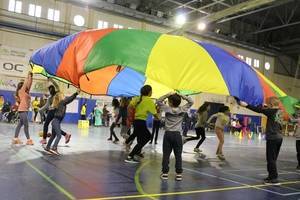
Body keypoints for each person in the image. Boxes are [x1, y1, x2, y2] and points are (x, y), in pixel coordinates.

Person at [239, 97, 283, 185]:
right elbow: (267, 110)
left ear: (270, 104)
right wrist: (266, 106)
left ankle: (274, 178)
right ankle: (271, 176)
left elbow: (258, 110)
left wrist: (246, 105)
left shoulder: (271, 111)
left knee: (271, 159)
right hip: (279, 138)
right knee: (273, 159)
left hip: (272, 138)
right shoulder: (280, 111)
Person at [157, 92, 194, 181]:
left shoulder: (167, 108)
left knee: (166, 155)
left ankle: (165, 173)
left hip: (168, 134)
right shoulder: (182, 109)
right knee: (178, 155)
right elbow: (191, 101)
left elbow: (158, 101)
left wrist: (167, 94)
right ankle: (179, 174)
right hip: (177, 135)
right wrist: (181, 95)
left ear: (170, 102)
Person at [125, 85, 159, 163]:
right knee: (148, 137)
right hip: (141, 122)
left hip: (136, 121)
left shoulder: (137, 98)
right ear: (149, 92)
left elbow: (129, 107)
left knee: (138, 135)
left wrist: (130, 117)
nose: (152, 92)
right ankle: (130, 156)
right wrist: (158, 118)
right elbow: (154, 113)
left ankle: (135, 150)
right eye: (151, 91)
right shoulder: (149, 100)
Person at [45, 89, 80, 155]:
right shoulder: (62, 102)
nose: (65, 97)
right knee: (59, 136)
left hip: (55, 121)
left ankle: (47, 147)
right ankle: (54, 148)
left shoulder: (58, 104)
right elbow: (69, 99)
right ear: (61, 97)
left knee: (53, 135)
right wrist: (76, 93)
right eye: (63, 96)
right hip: (56, 121)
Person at [39, 78, 71, 145]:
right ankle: (66, 135)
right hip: (58, 112)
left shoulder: (55, 95)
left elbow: (44, 107)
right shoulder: (53, 96)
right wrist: (51, 80)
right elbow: (45, 107)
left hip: (54, 111)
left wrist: (51, 80)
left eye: (50, 89)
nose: (50, 90)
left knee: (47, 125)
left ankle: (44, 139)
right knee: (54, 127)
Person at [12, 71, 34, 145]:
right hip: (22, 110)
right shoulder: (21, 91)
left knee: (20, 124)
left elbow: (29, 84)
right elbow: (26, 83)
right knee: (26, 125)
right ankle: (28, 140)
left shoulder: (26, 92)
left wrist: (31, 76)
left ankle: (15, 139)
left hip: (25, 110)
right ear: (21, 87)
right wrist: (27, 76)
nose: (26, 86)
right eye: (24, 85)